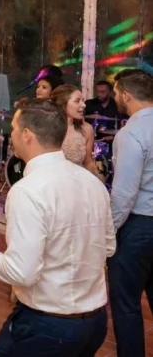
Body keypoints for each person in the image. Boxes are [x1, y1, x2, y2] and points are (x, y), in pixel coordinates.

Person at [0, 98, 114, 357]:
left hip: (48, 326)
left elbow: (22, 273)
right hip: (95, 322)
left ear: (26, 135)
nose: (11, 136)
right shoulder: (92, 182)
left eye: (14, 129)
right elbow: (108, 247)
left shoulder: (27, 191)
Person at [108, 69, 153, 357]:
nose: (115, 98)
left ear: (126, 95)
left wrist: (108, 232)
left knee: (126, 303)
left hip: (139, 227)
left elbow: (124, 195)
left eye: (115, 93)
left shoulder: (132, 133)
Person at [50, 84, 100, 179]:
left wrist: (97, 177)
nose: (84, 105)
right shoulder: (47, 129)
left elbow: (88, 161)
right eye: (77, 101)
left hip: (78, 183)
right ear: (62, 104)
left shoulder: (87, 129)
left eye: (83, 101)